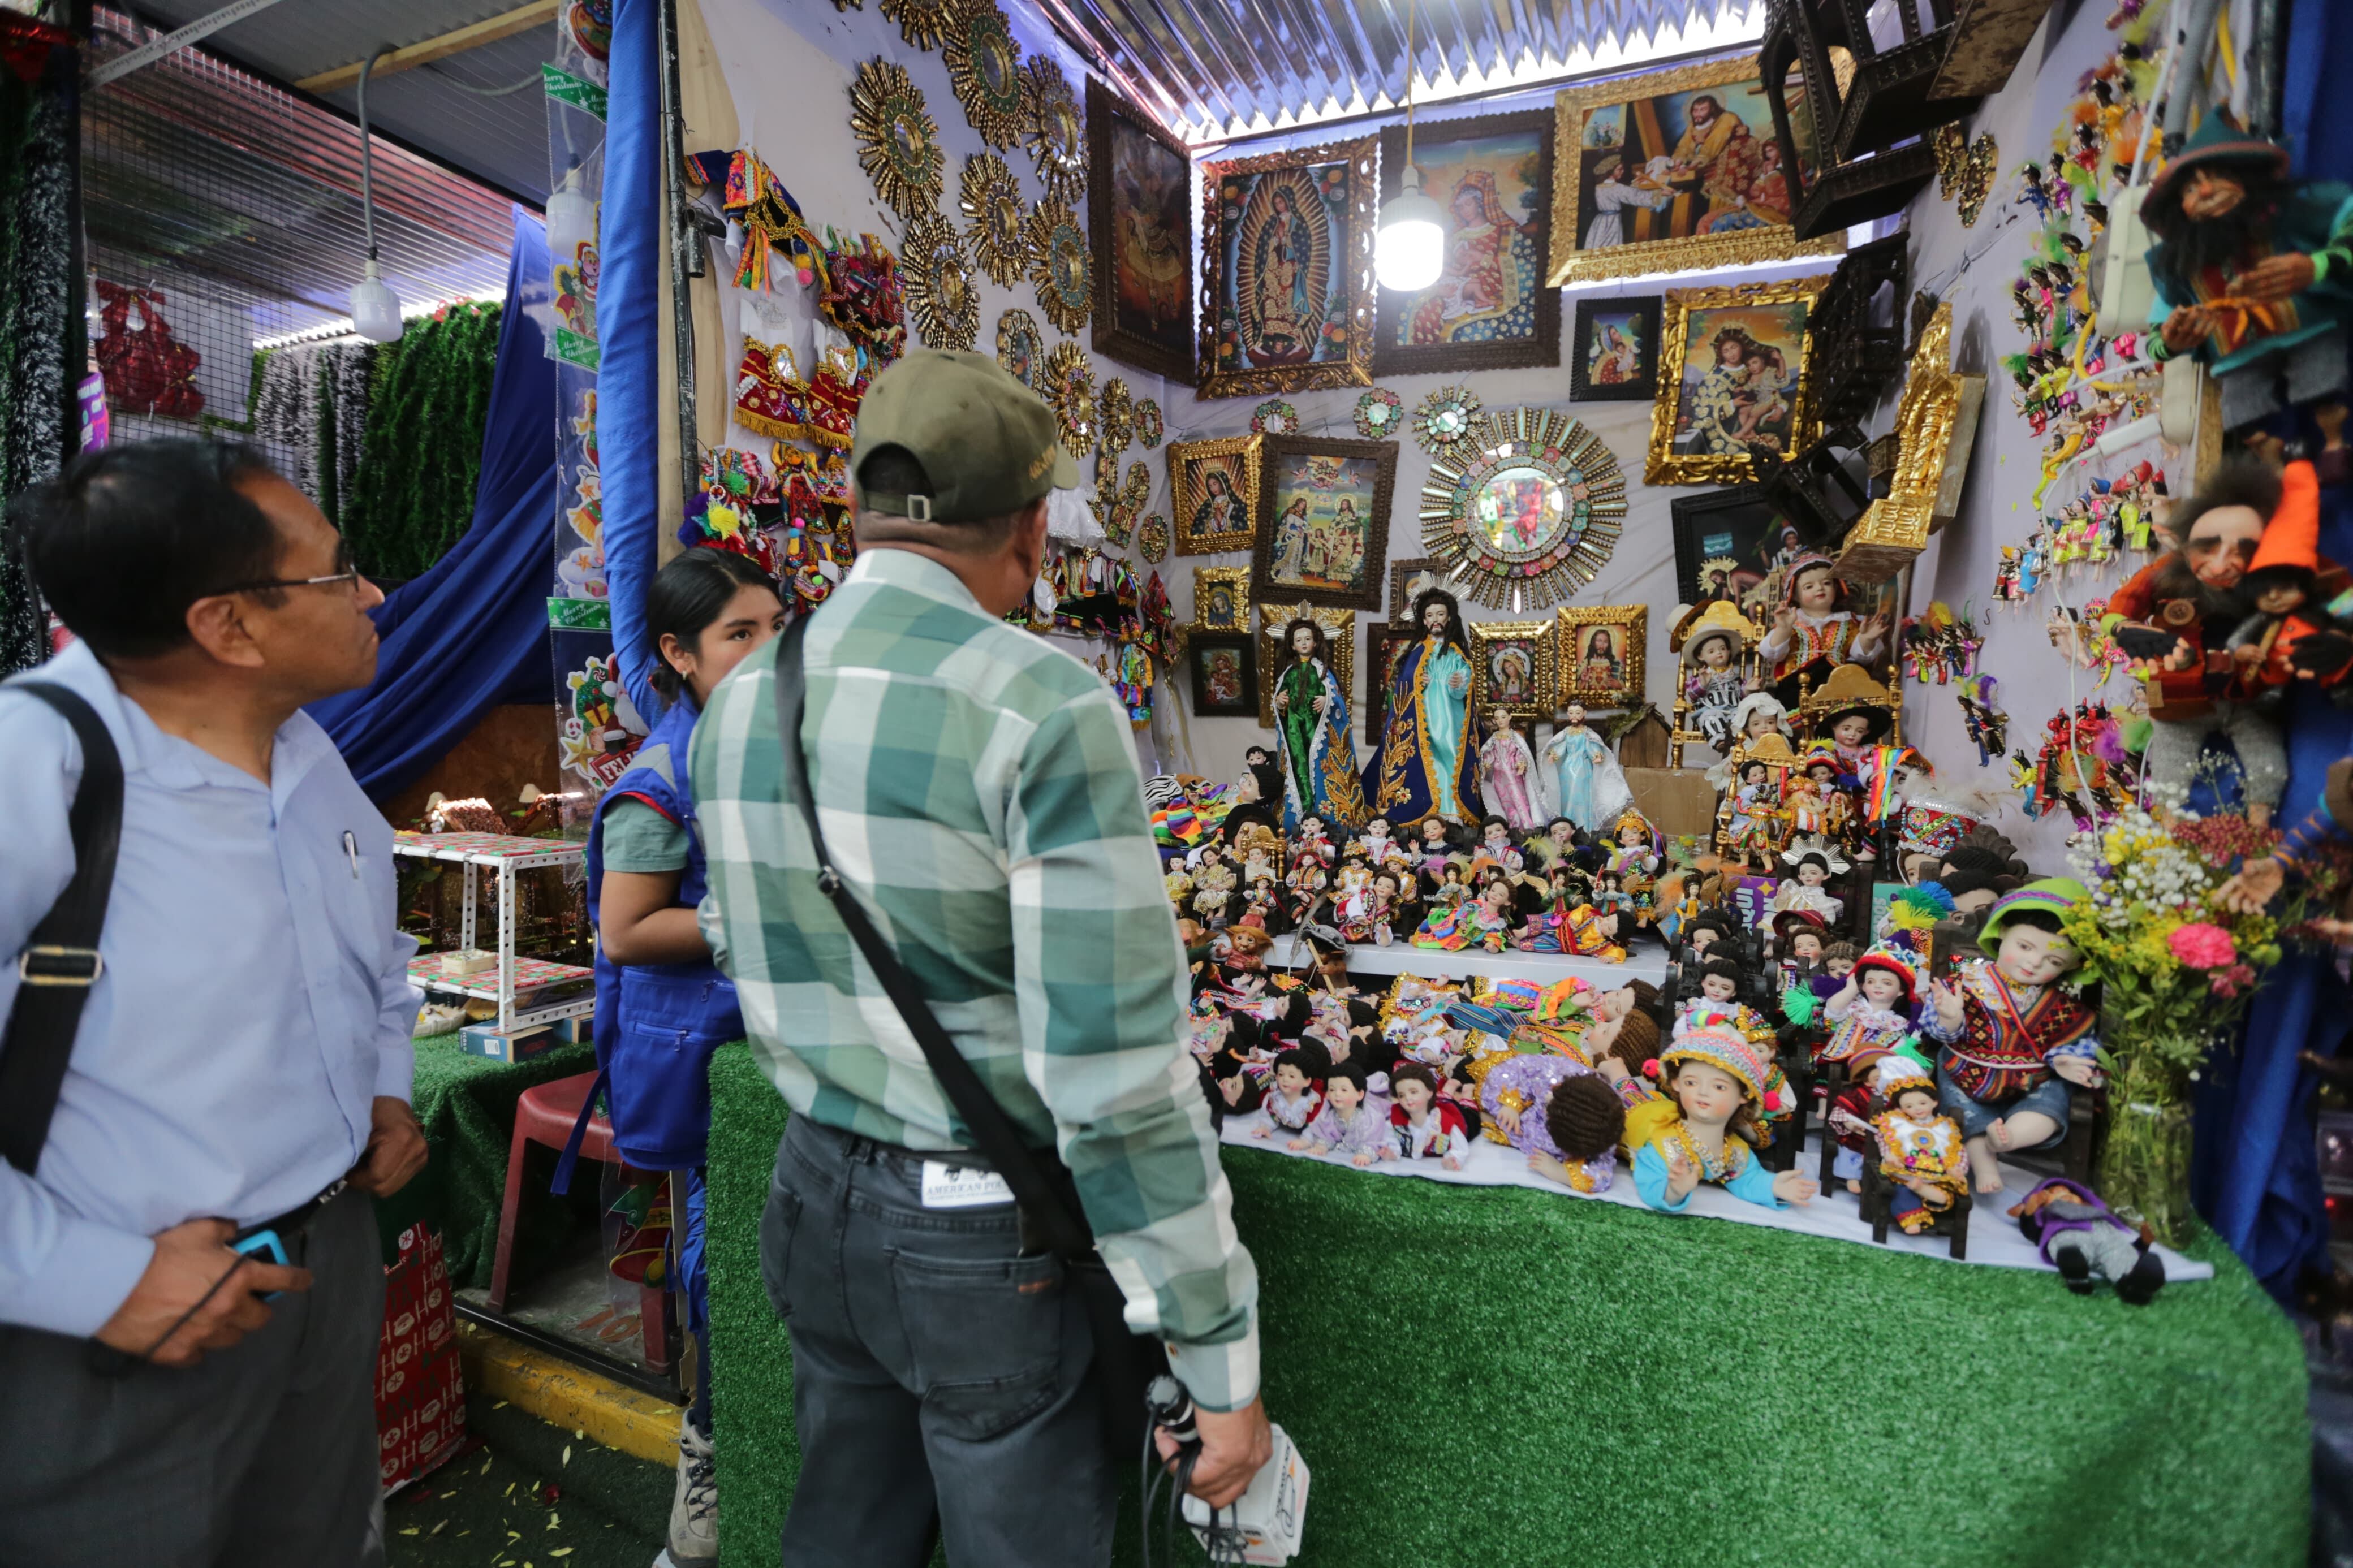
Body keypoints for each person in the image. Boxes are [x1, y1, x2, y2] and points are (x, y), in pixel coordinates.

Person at [690, 349, 1270, 1565]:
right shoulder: (1040, 704)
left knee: (845, 1532)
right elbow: (1111, 1081)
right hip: (970, 1239)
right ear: (1032, 526)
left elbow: (744, 948)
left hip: (811, 1195)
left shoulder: (744, 697)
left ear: (860, 508)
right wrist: (1218, 1361)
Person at [0, 440, 427, 1564]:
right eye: (339, 573)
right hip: (122, 1320)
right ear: (227, 627)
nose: (373, 593)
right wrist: (96, 1280)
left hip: (322, 1262)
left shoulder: (309, 753)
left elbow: (372, 960)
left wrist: (382, 1090)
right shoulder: (35, 770)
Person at [586, 547, 785, 1565]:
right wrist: (754, 915)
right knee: (718, 1267)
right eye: (737, 635)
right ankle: (700, 1489)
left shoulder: (760, 753)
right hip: (707, 1066)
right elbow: (625, 930)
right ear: (679, 653)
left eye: (774, 629)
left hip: (766, 1054)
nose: (765, 652)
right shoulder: (660, 780)